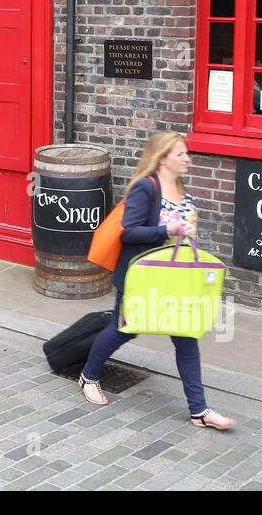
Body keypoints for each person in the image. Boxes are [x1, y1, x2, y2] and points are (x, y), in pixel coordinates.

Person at [75, 131, 236, 431]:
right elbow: (130, 231)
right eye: (180, 154)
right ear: (162, 157)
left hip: (173, 277)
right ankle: (89, 376)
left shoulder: (180, 187)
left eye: (186, 153)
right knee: (124, 329)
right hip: (142, 276)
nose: (187, 158)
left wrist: (184, 231)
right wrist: (168, 230)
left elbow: (182, 230)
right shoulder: (145, 189)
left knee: (186, 338)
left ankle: (199, 411)